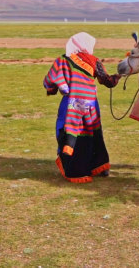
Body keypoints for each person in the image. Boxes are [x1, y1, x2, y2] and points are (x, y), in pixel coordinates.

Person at [43, 32, 121, 182]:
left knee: (67, 132)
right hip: (91, 105)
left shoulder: (62, 61)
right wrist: (119, 76)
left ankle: (75, 169)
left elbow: (49, 81)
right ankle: (98, 167)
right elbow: (107, 81)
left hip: (70, 104)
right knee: (92, 133)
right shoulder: (94, 61)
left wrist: (54, 89)